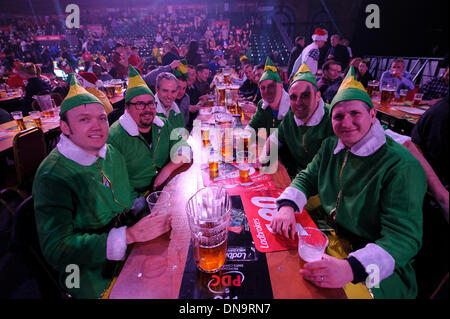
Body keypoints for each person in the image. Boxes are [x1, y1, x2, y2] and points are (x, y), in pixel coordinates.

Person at [271, 68, 427, 299]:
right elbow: (307, 177)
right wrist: (286, 206)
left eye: (355, 113)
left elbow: (403, 239)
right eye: (338, 116)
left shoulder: (401, 166)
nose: (347, 123)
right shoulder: (331, 146)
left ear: (372, 115)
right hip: (333, 238)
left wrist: (352, 268)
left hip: (378, 267)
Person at [33, 76, 171, 298]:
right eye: (84, 120)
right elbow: (57, 251)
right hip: (83, 273)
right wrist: (127, 236)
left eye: (102, 118)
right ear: (65, 127)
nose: (97, 126)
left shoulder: (110, 153)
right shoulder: (53, 175)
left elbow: (126, 200)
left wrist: (149, 216)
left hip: (127, 247)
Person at [109, 66, 192, 199]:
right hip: (134, 203)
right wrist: (135, 207)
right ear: (127, 108)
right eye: (140, 104)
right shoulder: (115, 136)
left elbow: (185, 148)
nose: (147, 109)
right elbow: (114, 182)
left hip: (164, 189)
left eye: (150, 103)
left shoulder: (163, 124)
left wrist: (168, 169)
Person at [263, 64, 334, 178]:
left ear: (318, 96)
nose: (298, 102)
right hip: (298, 176)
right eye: (293, 97)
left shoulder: (333, 119)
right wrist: (263, 156)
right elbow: (275, 138)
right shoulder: (291, 115)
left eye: (305, 96)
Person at [248, 57, 290, 137]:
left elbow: (284, 142)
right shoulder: (262, 104)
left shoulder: (291, 109)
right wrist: (243, 137)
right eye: (263, 88)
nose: (267, 91)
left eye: (271, 86)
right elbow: (253, 126)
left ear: (281, 86)